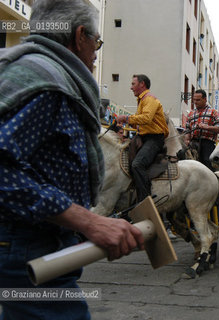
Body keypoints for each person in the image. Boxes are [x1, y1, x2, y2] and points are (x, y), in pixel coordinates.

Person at [0, 1, 144, 319]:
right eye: (97, 42)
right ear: (80, 36)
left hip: (33, 244)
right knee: (138, 163)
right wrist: (90, 221)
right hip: (28, 245)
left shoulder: (40, 74)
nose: (96, 53)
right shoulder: (49, 84)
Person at [117, 74, 169, 202]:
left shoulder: (149, 99)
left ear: (142, 84)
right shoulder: (142, 100)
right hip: (144, 138)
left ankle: (145, 200)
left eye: (133, 84)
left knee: (137, 164)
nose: (131, 87)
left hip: (154, 139)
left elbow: (146, 118)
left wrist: (126, 118)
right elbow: (139, 122)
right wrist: (128, 122)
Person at [184, 89, 219, 171]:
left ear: (205, 99)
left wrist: (207, 127)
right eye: (194, 100)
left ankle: (213, 180)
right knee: (187, 162)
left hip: (207, 143)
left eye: (198, 100)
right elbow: (187, 129)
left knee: (207, 163)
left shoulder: (213, 112)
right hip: (193, 143)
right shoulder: (191, 114)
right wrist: (187, 139)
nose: (195, 102)